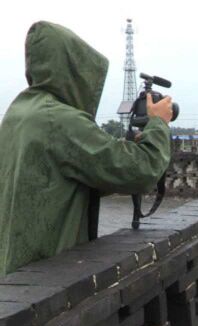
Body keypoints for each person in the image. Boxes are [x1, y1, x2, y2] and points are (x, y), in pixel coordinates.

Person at [0, 21, 174, 276]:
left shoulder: (19, 113)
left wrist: (124, 148)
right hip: (47, 277)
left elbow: (60, 180)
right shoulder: (59, 120)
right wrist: (158, 124)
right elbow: (141, 172)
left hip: (14, 274)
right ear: (73, 70)